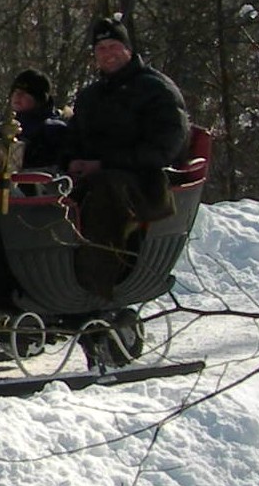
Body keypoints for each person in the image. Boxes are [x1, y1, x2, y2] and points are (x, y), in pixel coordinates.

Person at [62, 15, 190, 299]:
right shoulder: (90, 96)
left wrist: (104, 163)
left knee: (106, 190)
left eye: (113, 46)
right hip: (91, 176)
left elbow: (164, 147)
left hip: (144, 182)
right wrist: (71, 161)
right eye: (100, 49)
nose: (107, 54)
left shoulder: (157, 91)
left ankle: (98, 283)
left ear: (128, 50)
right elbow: (73, 137)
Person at [9, 68, 69, 168]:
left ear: (39, 99)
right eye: (15, 91)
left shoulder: (53, 130)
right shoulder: (8, 127)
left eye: (25, 92)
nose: (18, 96)